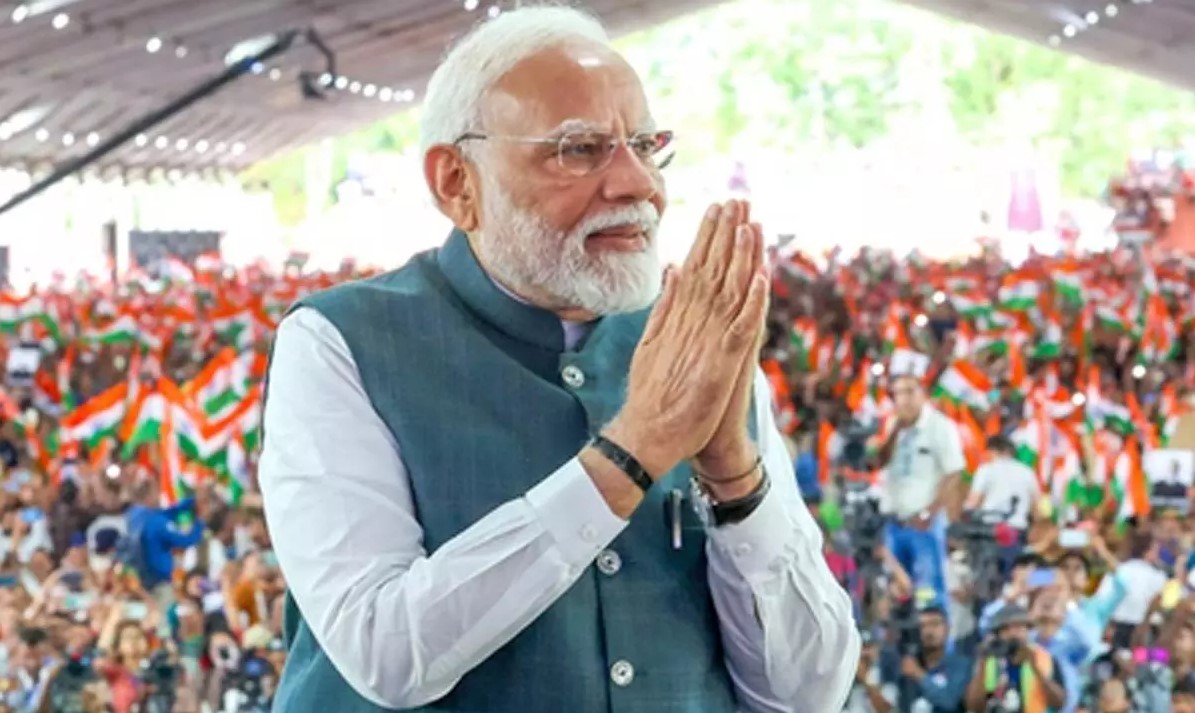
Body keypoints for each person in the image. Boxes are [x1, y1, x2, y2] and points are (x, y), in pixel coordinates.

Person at [259, 6, 857, 713]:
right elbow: (386, 652)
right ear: (456, 183)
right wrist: (630, 453)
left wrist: (732, 472)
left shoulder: (692, 340)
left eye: (645, 143)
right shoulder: (341, 342)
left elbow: (808, 690)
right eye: (578, 149)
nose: (637, 184)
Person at [877, 375, 966, 610]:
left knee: (929, 595)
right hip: (894, 522)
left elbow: (954, 473)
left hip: (925, 524)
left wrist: (931, 512)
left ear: (922, 394)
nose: (903, 400)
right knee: (894, 592)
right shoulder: (891, 425)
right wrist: (895, 431)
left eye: (909, 392)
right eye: (897, 394)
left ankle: (934, 643)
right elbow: (878, 461)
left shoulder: (940, 426)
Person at [964, 605, 1066, 713]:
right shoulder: (989, 660)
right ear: (998, 635)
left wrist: (1035, 668)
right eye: (1006, 629)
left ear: (1028, 631)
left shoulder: (1044, 659)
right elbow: (973, 706)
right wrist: (983, 663)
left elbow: (1059, 703)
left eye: (1019, 628)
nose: (1013, 634)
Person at [881, 605, 970, 713]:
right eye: (923, 626)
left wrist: (919, 675)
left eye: (935, 624)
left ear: (947, 629)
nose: (929, 631)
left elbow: (950, 702)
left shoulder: (960, 665)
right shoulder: (906, 664)